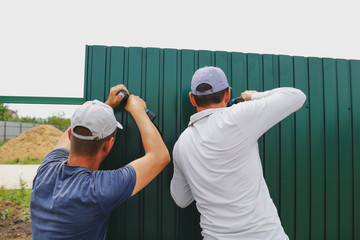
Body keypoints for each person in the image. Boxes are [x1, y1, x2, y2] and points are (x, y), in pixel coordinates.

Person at [170, 66, 306, 240]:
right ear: (227, 95)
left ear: (192, 99)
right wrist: (253, 96)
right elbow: (296, 96)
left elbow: (181, 200)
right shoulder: (236, 117)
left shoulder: (181, 144)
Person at [30, 84, 170, 240]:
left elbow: (64, 141)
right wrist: (138, 111)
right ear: (108, 144)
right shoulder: (97, 190)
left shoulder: (47, 168)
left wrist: (106, 106)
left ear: (70, 134)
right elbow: (160, 156)